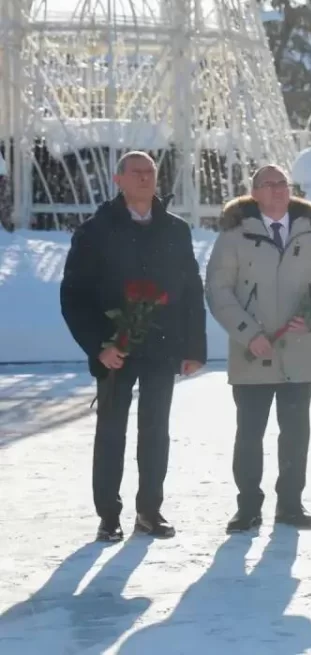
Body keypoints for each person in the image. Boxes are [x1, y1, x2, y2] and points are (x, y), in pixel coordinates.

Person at [60, 151, 206, 542]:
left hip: (161, 345)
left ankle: (150, 511)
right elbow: (74, 296)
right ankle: (109, 515)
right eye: (136, 172)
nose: (145, 178)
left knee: (156, 430)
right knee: (111, 431)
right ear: (118, 179)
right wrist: (98, 347)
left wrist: (194, 347)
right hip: (114, 347)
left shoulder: (175, 229)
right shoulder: (95, 230)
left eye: (151, 172)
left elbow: (192, 289)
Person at [206, 165, 311, 533]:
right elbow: (218, 291)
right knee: (249, 433)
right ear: (254, 192)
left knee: (296, 432)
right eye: (269, 184)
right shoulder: (234, 235)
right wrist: (248, 333)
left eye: (283, 183)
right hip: (254, 351)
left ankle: (291, 505)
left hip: (299, 351)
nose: (279, 190)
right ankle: (248, 507)